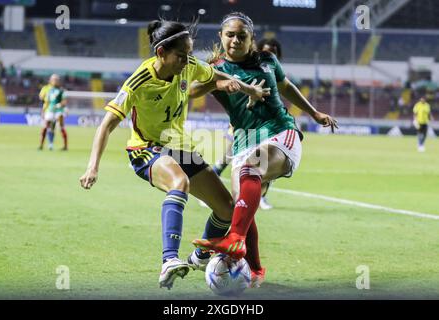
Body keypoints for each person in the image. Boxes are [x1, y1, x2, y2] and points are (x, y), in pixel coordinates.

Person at [79, 19, 269, 290]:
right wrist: (92, 167)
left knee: (226, 209)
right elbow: (106, 123)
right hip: (147, 149)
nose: (187, 61)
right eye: (181, 55)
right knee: (180, 183)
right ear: (161, 53)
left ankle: (200, 256)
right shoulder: (138, 81)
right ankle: (168, 260)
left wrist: (249, 90)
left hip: (181, 148)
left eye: (189, 54)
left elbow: (218, 76)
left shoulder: (188, 66)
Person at [190, 12, 338, 286]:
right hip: (244, 141)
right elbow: (190, 91)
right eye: (230, 35)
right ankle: (256, 270)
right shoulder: (214, 68)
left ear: (251, 38)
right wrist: (219, 83)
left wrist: (314, 112)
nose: (235, 40)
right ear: (221, 37)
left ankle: (234, 239)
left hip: (280, 133)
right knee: (239, 207)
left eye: (241, 35)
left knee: (251, 170)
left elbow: (286, 86)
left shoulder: (268, 61)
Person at [209, 38, 285, 211]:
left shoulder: (271, 69)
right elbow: (240, 101)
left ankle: (260, 197)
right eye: (267, 50)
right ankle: (212, 189)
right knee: (226, 160)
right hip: (243, 125)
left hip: (265, 126)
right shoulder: (249, 68)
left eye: (274, 51)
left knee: (264, 163)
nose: (271, 53)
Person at [38, 74, 68, 151]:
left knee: (61, 127)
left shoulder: (61, 90)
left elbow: (64, 101)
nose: (55, 81)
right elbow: (45, 101)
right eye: (54, 79)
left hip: (59, 111)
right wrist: (43, 110)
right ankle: (42, 145)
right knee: (46, 126)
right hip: (50, 110)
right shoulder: (48, 90)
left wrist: (59, 105)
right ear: (50, 80)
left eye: (56, 80)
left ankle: (65, 146)